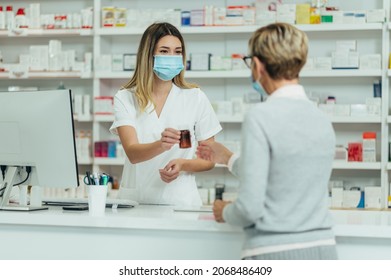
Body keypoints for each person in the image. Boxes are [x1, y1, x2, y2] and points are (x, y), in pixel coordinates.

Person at [196, 23, 338, 260]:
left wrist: (226, 211)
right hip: (324, 250)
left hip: (275, 253)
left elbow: (250, 209)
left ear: (258, 65)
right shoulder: (322, 119)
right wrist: (228, 158)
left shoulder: (260, 116)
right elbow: (285, 172)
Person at [110, 22, 222, 206]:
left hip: (180, 202)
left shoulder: (195, 97)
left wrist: (183, 164)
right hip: (137, 202)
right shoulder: (126, 97)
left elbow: (209, 158)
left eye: (177, 52)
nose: (172, 57)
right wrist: (161, 145)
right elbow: (133, 153)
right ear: (148, 55)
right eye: (164, 51)